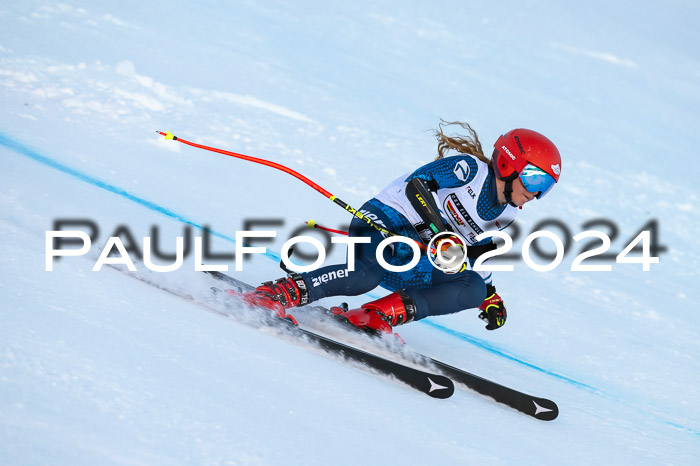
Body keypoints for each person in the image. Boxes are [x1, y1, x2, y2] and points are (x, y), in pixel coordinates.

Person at [239, 122, 562, 334]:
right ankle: (273, 294)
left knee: (471, 287)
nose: (536, 192)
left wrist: (489, 297)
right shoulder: (469, 169)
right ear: (509, 163)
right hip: (385, 224)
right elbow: (417, 187)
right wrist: (436, 233)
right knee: (365, 274)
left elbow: (479, 256)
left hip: (417, 253)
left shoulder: (506, 214)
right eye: (535, 179)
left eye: (546, 186)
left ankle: (375, 316)